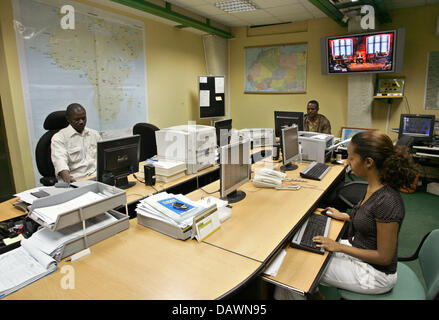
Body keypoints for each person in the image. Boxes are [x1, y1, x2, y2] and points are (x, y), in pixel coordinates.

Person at [275, 130, 417, 299]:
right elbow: (371, 220)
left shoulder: (388, 201)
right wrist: (347, 217)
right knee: (302, 250)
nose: (347, 163)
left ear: (369, 162)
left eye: (351, 158)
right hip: (361, 249)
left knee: (295, 271)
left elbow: (384, 257)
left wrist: (339, 246)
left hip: (375, 274)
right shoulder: (374, 185)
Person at [51, 103, 102, 183]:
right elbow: (60, 162)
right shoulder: (59, 138)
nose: (81, 122)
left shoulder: (94, 134)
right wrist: (68, 179)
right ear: (68, 119)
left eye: (83, 118)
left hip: (96, 178)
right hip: (76, 181)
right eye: (77, 119)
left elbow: (103, 158)